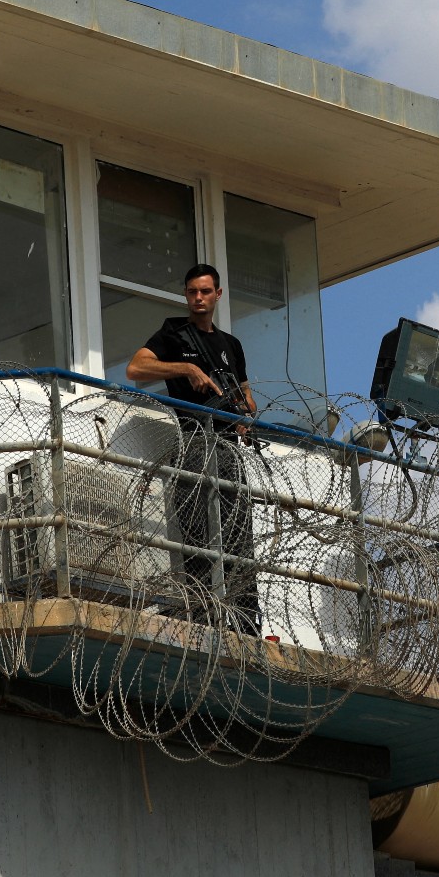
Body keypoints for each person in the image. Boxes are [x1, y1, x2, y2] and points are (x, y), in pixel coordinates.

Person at [125, 264, 261, 632]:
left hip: (230, 447)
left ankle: (244, 621)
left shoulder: (231, 344)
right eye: (192, 292)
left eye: (205, 292)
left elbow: (246, 394)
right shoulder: (175, 333)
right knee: (200, 533)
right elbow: (135, 368)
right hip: (196, 443)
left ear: (218, 294)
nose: (198, 299)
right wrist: (185, 369)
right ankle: (204, 616)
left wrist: (246, 414)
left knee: (238, 536)